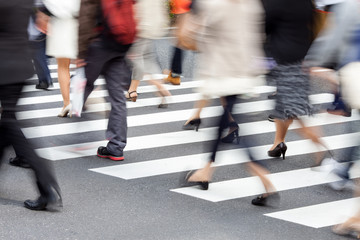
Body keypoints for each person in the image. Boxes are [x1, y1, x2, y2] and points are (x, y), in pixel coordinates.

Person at [183, 0, 278, 206]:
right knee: (224, 121)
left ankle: (265, 180)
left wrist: (192, 28)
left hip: (225, 72)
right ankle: (206, 170)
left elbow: (201, 35)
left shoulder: (218, 5)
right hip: (243, 71)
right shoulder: (252, 4)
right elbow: (258, 35)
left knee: (230, 123)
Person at [0, 0, 62, 211]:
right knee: (7, 122)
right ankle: (46, 186)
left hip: (5, 67)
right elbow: (35, 29)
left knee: (9, 124)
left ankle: (46, 185)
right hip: (21, 63)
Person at [262, 0, 329, 167]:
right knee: (283, 108)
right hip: (301, 58)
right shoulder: (307, 2)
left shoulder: (274, 3)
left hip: (284, 60)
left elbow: (264, 26)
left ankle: (322, 150)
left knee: (293, 111)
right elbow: (313, 26)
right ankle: (279, 143)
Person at [77, 0, 136, 161]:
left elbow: (86, 16)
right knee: (117, 98)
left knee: (81, 84)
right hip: (119, 43)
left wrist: (81, 52)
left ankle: (76, 126)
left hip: (99, 43)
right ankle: (116, 146)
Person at [37, 0, 81, 117]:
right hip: (79, 23)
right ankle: (81, 100)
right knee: (81, 64)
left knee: (62, 66)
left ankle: (66, 104)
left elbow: (49, 4)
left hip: (60, 25)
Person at [125, 0, 171, 108]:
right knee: (149, 61)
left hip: (139, 27)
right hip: (152, 28)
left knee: (134, 59)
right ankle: (160, 95)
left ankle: (156, 87)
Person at [163, 0, 192, 85]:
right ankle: (174, 73)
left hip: (183, 8)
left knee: (180, 42)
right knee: (180, 42)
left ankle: (175, 75)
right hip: (185, 7)